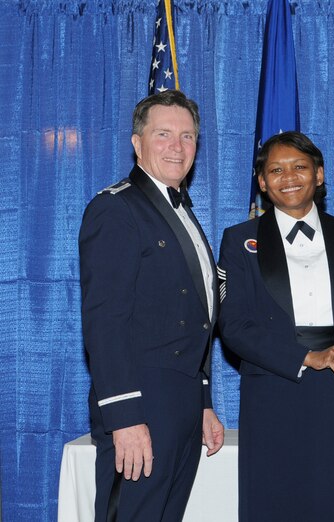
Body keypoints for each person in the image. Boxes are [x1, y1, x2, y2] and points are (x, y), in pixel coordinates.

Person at [216, 131, 334, 521]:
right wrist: (309, 356)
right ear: (262, 182)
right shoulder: (239, 240)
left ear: (319, 175)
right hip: (274, 385)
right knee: (272, 503)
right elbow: (233, 325)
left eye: (299, 167)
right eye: (275, 169)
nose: (288, 177)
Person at [79, 90, 224, 521]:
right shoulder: (116, 208)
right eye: (163, 134)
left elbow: (196, 321)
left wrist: (202, 403)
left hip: (180, 404)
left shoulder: (184, 211)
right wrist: (124, 418)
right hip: (140, 401)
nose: (177, 147)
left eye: (187, 136)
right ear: (137, 143)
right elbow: (105, 321)